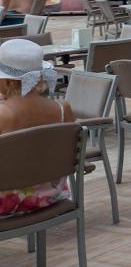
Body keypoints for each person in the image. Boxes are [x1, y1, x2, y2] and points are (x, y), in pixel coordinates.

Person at [0, 39, 75, 217]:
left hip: (8, 203)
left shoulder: (4, 115)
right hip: (51, 196)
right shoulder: (62, 109)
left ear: (7, 82)